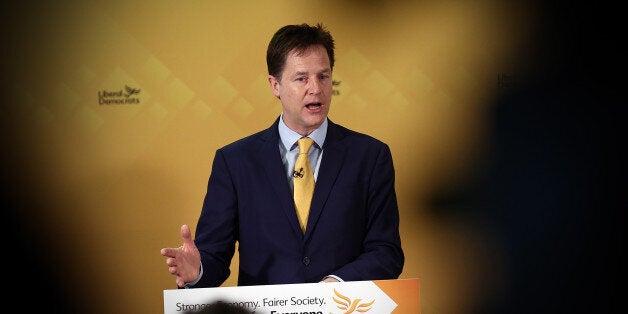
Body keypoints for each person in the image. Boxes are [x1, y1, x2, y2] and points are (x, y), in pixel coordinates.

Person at [160, 23, 404, 288]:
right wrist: (198, 271)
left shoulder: (369, 156)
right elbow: (214, 257)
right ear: (275, 85)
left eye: (323, 76)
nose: (316, 89)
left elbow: (386, 251)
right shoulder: (235, 162)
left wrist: (335, 284)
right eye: (301, 78)